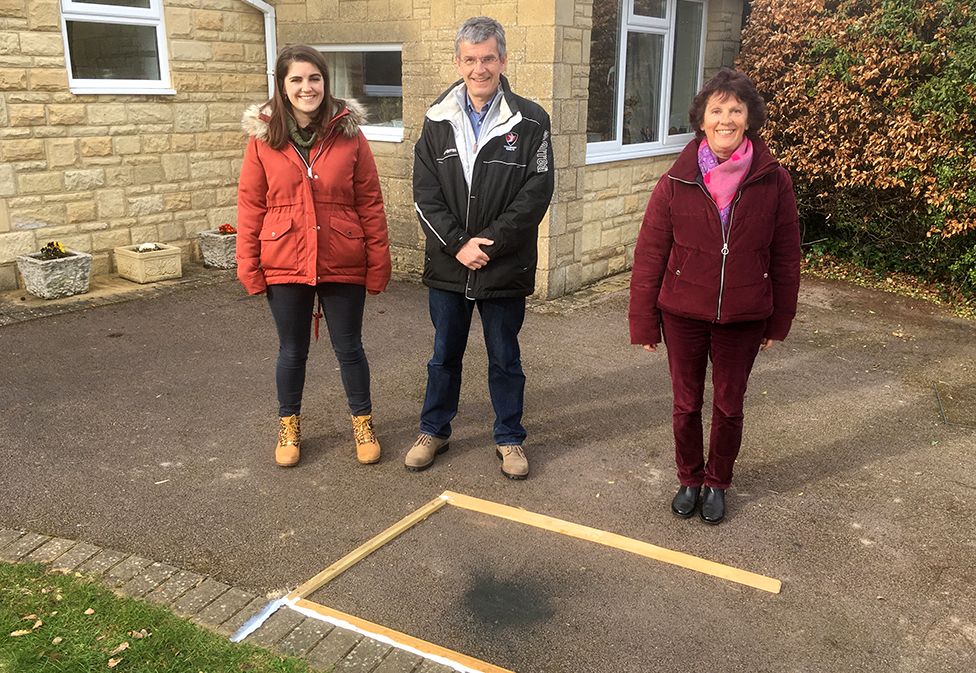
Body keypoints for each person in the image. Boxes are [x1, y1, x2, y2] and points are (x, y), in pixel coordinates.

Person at [629, 68, 801, 524]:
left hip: (744, 315)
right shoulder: (675, 181)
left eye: (736, 110)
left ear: (749, 119)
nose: (726, 119)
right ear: (702, 120)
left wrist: (778, 320)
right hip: (682, 312)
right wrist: (644, 322)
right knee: (686, 403)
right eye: (717, 110)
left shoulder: (773, 180)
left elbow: (786, 256)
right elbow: (650, 254)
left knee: (729, 405)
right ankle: (689, 477)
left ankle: (717, 483)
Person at [407, 16, 554, 479]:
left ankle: (509, 438)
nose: (479, 68)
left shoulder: (531, 121)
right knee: (443, 355)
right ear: (458, 62)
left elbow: (537, 190)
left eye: (487, 58)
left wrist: (486, 245)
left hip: (501, 265)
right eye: (470, 60)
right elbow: (424, 193)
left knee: (504, 357)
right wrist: (457, 244)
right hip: (450, 265)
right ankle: (434, 430)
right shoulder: (436, 119)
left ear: (503, 59)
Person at [236, 45, 391, 468]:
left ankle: (363, 423)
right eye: (297, 80)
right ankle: (288, 425)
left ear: (325, 82)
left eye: (314, 79)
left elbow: (371, 202)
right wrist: (248, 265)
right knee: (291, 351)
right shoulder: (263, 140)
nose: (307, 88)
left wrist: (378, 261)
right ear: (283, 88)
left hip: (343, 254)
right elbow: (251, 206)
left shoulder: (349, 135)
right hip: (285, 256)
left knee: (350, 348)